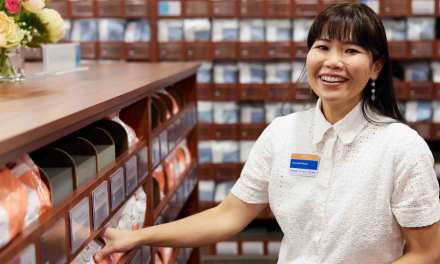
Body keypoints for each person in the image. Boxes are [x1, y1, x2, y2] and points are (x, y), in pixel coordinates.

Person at [94, 3, 440, 263]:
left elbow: (425, 253)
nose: (333, 61)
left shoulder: (402, 147)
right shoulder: (282, 134)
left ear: (377, 66)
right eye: (323, 47)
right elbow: (228, 215)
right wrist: (137, 237)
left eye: (351, 51)